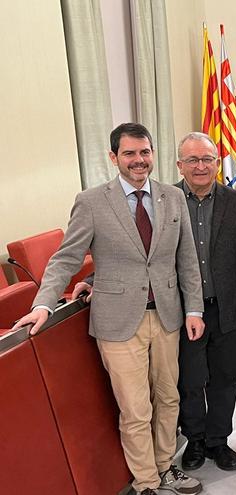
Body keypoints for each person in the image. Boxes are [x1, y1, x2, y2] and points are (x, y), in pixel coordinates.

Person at [12, 123, 205, 495]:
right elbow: (66, 259)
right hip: (118, 322)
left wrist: (194, 309)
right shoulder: (92, 201)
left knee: (169, 398)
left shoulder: (173, 197)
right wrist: (43, 304)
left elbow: (187, 260)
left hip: (166, 315)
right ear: (114, 157)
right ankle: (146, 482)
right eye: (129, 153)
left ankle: (166, 467)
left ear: (153, 154)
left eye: (145, 152)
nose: (139, 160)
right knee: (135, 409)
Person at [172, 132, 236, 471]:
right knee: (191, 380)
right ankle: (194, 441)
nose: (200, 166)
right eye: (192, 160)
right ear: (180, 164)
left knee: (226, 379)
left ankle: (218, 441)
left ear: (217, 162)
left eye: (207, 159)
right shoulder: (167, 201)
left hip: (227, 309)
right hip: (183, 312)